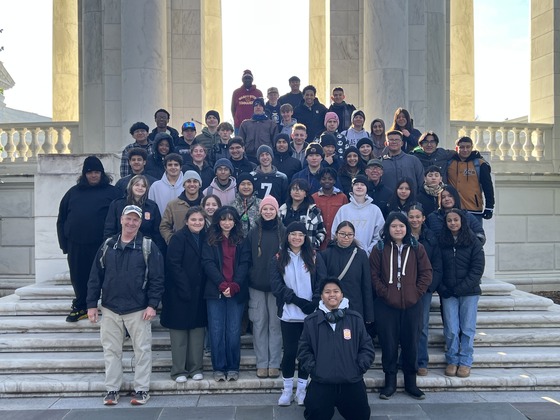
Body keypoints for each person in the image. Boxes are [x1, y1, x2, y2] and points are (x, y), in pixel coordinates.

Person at [86, 205, 165, 406]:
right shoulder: (108, 245)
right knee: (111, 350)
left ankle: (141, 389)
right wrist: (91, 304)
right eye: (128, 219)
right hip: (111, 307)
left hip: (138, 309)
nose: (131, 223)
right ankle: (112, 389)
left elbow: (157, 278)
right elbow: (95, 276)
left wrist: (152, 305)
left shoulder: (147, 246)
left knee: (142, 350)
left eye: (135, 220)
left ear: (140, 222)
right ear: (121, 220)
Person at [369, 212, 432, 400]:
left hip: (412, 305)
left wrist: (416, 293)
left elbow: (426, 273)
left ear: (407, 228)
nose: (398, 229)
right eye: (394, 226)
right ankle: (390, 383)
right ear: (388, 228)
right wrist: (385, 293)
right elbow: (373, 275)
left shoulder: (417, 248)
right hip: (386, 306)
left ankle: (411, 383)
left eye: (401, 226)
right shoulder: (379, 249)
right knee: (388, 344)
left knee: (410, 342)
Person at [297, 278, 374, 420]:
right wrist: (315, 369)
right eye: (327, 292)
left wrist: (358, 368)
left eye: (336, 291)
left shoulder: (355, 319)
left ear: (342, 295)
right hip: (321, 383)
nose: (332, 295)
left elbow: (367, 347)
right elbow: (303, 350)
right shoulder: (311, 322)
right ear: (321, 296)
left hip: (351, 382)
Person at [57, 156, 120, 322]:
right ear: (84, 174)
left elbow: (120, 217)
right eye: (90, 172)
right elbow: (62, 219)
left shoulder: (112, 192)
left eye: (96, 172)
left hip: (104, 245)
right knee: (79, 277)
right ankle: (81, 307)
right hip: (77, 244)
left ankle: (111, 309)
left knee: (108, 278)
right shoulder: (73, 193)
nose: (93, 175)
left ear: (102, 173)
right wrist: (65, 245)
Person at [270, 222, 327, 406]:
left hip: (310, 313)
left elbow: (321, 281)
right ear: (287, 236)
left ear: (305, 238)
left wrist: (315, 301)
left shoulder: (314, 256)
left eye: (300, 235)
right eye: (293, 234)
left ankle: (302, 390)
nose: (297, 238)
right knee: (290, 352)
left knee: (306, 353)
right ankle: (287, 389)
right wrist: (296, 300)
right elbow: (276, 286)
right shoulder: (278, 258)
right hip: (289, 313)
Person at [160, 206, 208, 383]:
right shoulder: (178, 238)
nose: (197, 223)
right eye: (194, 220)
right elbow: (173, 265)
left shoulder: (207, 237)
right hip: (179, 292)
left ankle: (196, 367)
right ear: (186, 221)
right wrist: (185, 287)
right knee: (179, 333)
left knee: (197, 333)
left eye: (200, 220)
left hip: (200, 292)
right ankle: (178, 370)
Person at [202, 206, 249, 382]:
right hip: (215, 292)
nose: (227, 223)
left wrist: (235, 284)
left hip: (236, 291)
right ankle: (219, 367)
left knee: (233, 330)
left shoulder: (242, 240)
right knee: (216, 330)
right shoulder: (210, 239)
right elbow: (207, 263)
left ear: (235, 221)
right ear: (218, 221)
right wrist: (222, 285)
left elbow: (245, 263)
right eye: (223, 219)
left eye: (230, 219)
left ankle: (233, 367)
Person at [438, 208, 485, 378]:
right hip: (448, 292)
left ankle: (465, 361)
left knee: (467, 328)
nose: (453, 223)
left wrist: (461, 288)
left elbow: (477, 269)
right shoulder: (441, 241)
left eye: (456, 220)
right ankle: (452, 359)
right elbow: (438, 266)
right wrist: (442, 287)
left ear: (462, 221)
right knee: (451, 328)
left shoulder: (473, 241)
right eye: (449, 220)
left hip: (469, 292)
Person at [242, 196, 286, 378]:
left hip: (278, 288)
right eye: (265, 209)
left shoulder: (284, 232)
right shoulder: (253, 233)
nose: (268, 212)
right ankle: (262, 363)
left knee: (275, 326)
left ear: (276, 211)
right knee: (259, 325)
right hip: (257, 286)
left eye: (271, 209)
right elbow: (246, 257)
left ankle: (274, 363)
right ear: (260, 211)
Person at [407, 204, 442, 376]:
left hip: (424, 290)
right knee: (405, 326)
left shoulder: (430, 237)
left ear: (423, 218)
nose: (414, 220)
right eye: (411, 216)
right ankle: (405, 360)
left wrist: (429, 286)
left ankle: (421, 361)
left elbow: (437, 264)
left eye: (417, 216)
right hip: (404, 289)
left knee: (422, 326)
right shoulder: (401, 236)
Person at [320, 222, 374, 323]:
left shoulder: (361, 255)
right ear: (336, 234)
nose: (346, 237)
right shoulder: (325, 255)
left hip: (355, 306)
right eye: (342, 234)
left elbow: (366, 286)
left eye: (350, 235)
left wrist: (369, 315)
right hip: (332, 306)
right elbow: (321, 283)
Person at [104, 174, 165, 254]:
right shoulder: (117, 205)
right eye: (137, 185)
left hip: (144, 251)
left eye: (143, 186)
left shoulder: (152, 207)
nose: (140, 188)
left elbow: (157, 233)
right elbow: (109, 229)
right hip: (120, 249)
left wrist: (157, 253)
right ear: (130, 186)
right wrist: (110, 248)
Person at [332, 175, 384, 256]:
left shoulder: (375, 210)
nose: (359, 187)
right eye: (356, 184)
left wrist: (368, 251)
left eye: (362, 185)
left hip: (368, 256)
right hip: (345, 255)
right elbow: (335, 233)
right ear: (352, 188)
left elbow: (379, 235)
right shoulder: (344, 210)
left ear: (367, 188)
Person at [447, 136, 495, 224]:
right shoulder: (449, 163)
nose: (465, 150)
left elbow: (487, 186)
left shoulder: (480, 164)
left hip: (473, 209)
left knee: (475, 236)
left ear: (472, 147)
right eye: (462, 147)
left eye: (468, 147)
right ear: (457, 148)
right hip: (453, 209)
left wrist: (489, 207)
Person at [279, 179, 326, 250]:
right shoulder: (283, 209)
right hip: (285, 250)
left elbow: (321, 232)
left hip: (307, 251)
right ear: (290, 192)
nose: (297, 192)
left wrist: (312, 244)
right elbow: (277, 231)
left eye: (301, 189)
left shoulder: (313, 211)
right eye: (294, 189)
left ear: (306, 194)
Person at [160, 171, 203, 244]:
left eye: (195, 181)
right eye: (188, 181)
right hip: (181, 248)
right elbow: (164, 226)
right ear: (183, 185)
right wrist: (173, 240)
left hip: (203, 247)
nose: (192, 184)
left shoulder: (206, 204)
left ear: (199, 184)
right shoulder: (173, 205)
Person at [311, 167, 348, 250]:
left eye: (330, 179)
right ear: (320, 181)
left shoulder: (342, 197)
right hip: (319, 239)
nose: (327, 181)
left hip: (337, 239)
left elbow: (346, 217)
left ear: (334, 181)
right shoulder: (313, 198)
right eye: (323, 179)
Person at [239, 97, 279, 162]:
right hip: (249, 157)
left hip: (266, 157)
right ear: (253, 108)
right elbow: (240, 143)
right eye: (256, 105)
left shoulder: (271, 124)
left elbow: (275, 143)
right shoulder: (245, 124)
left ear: (263, 108)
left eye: (260, 105)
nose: (258, 107)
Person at [231, 172, 262, 237]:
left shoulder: (261, 204)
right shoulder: (232, 205)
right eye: (243, 184)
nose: (246, 187)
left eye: (249, 184)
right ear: (238, 186)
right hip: (238, 242)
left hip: (257, 241)